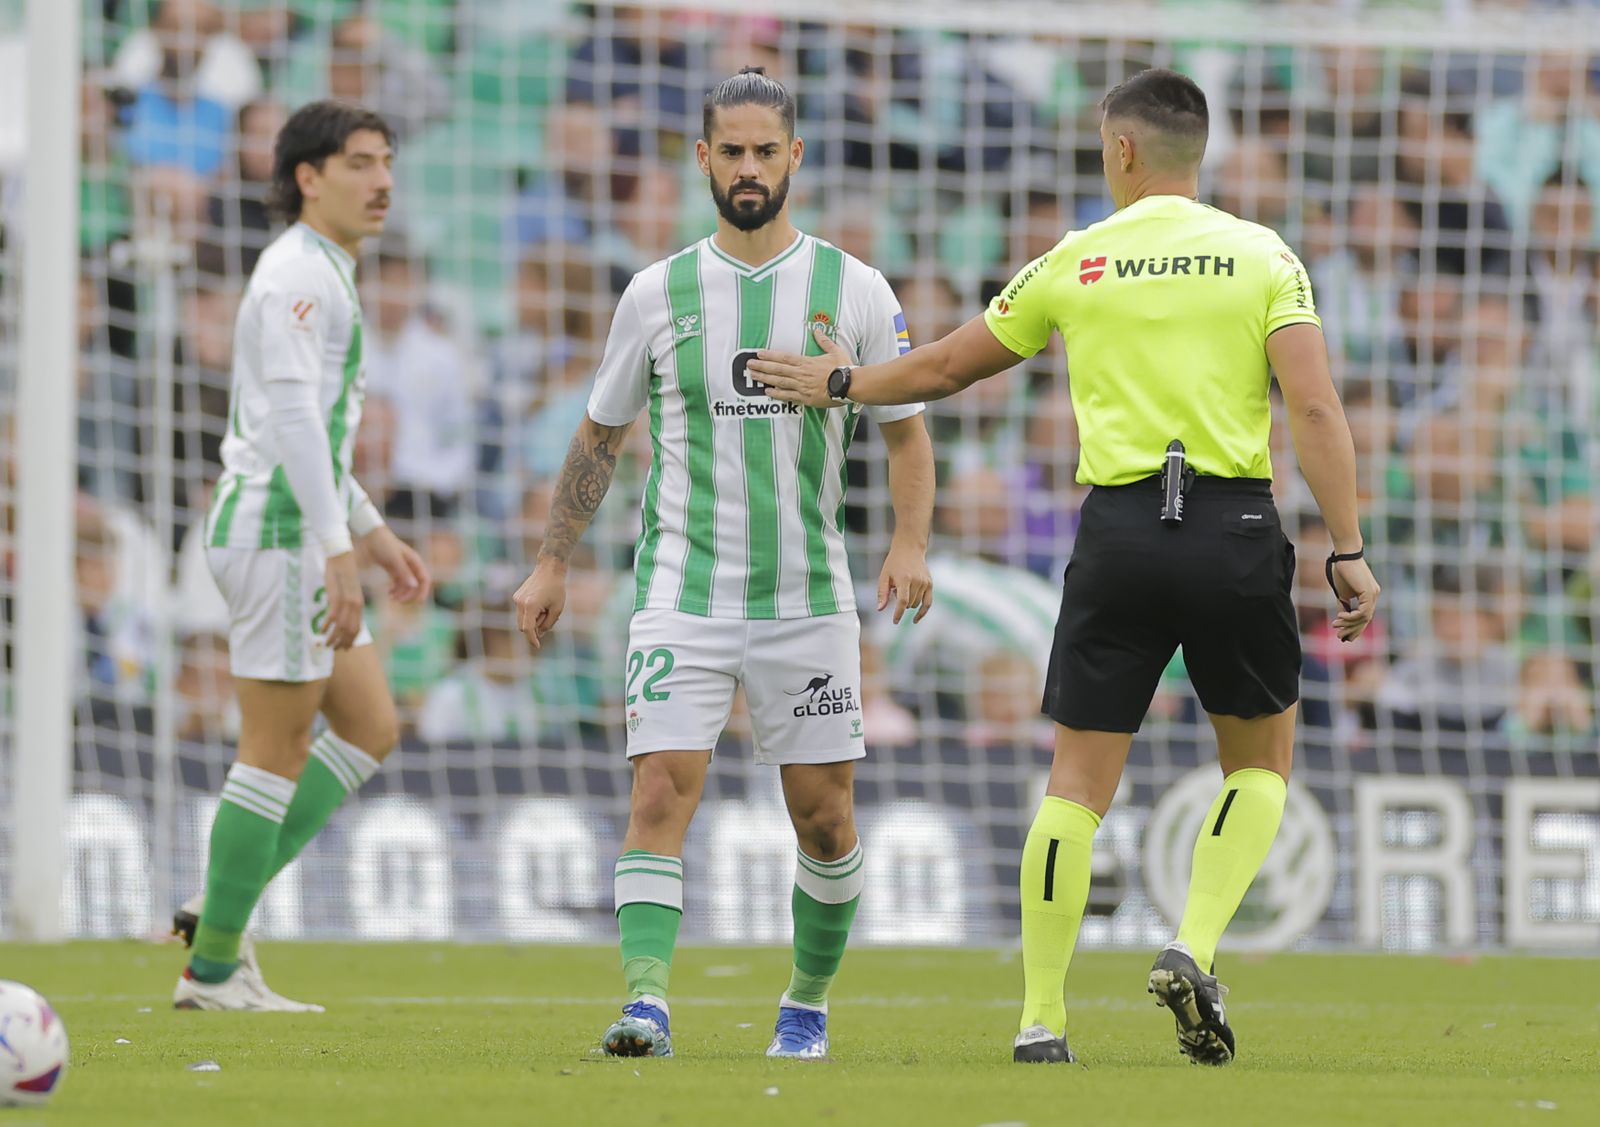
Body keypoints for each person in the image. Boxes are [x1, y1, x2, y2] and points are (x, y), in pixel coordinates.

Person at [750, 67, 1381, 1066]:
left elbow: (948, 366)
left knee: (1076, 782)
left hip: (1120, 529)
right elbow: (1312, 406)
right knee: (1259, 764)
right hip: (1233, 523)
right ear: (1197, 150)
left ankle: (1041, 1017)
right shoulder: (1263, 256)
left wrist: (839, 380)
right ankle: (1193, 943)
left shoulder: (1077, 260)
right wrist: (1346, 546)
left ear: (1122, 150)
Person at [512, 68, 936, 1061]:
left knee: (824, 818)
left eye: (764, 150)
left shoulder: (855, 289)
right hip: (681, 588)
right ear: (702, 159)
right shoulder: (656, 293)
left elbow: (907, 433)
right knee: (660, 785)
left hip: (808, 597)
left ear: (795, 157)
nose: (748, 167)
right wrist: (549, 560)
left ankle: (806, 1001)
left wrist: (910, 540)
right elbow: (598, 436)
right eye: (730, 151)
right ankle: (647, 1003)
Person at [171, 101, 432, 1012]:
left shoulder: (324, 269)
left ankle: (218, 907)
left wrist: (369, 529)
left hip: (302, 528)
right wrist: (335, 550)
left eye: (387, 159)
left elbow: (315, 433)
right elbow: (287, 424)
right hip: (279, 536)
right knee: (274, 750)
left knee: (370, 726)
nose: (383, 179)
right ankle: (210, 969)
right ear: (308, 177)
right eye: (360, 162)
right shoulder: (295, 276)